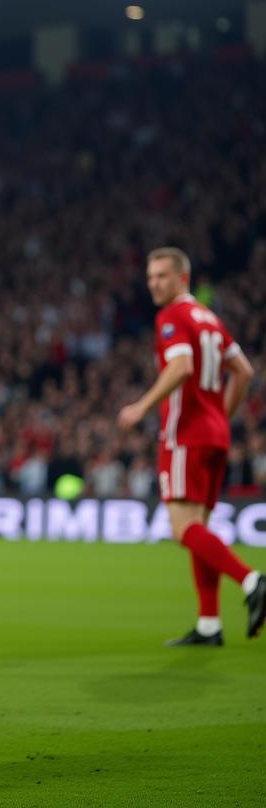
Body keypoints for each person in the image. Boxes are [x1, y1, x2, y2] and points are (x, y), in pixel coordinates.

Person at [118, 247, 264, 644]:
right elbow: (244, 371)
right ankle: (209, 625)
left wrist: (141, 406)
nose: (154, 284)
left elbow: (180, 368)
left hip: (185, 434)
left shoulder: (173, 316)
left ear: (183, 279)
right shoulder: (211, 319)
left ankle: (252, 581)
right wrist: (221, 415)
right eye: (150, 277)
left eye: (162, 276)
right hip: (215, 434)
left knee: (184, 529)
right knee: (197, 526)